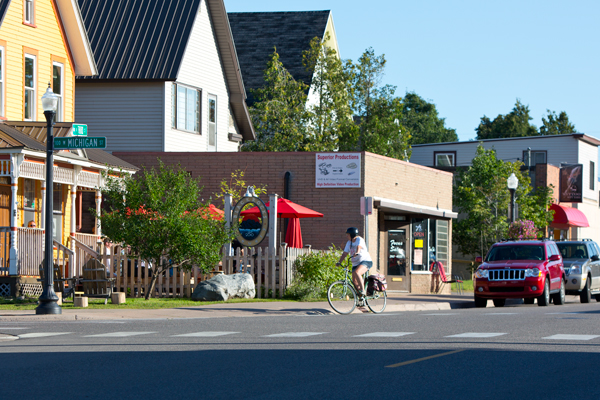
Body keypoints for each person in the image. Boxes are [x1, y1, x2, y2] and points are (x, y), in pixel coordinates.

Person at [336, 227, 373, 304]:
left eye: (348, 234)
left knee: (357, 272)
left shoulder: (359, 239)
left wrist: (357, 252)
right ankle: (361, 298)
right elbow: (345, 253)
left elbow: (358, 246)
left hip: (365, 261)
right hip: (355, 263)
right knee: (354, 281)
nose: (346, 236)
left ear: (352, 235)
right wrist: (339, 262)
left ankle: (363, 291)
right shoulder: (349, 242)